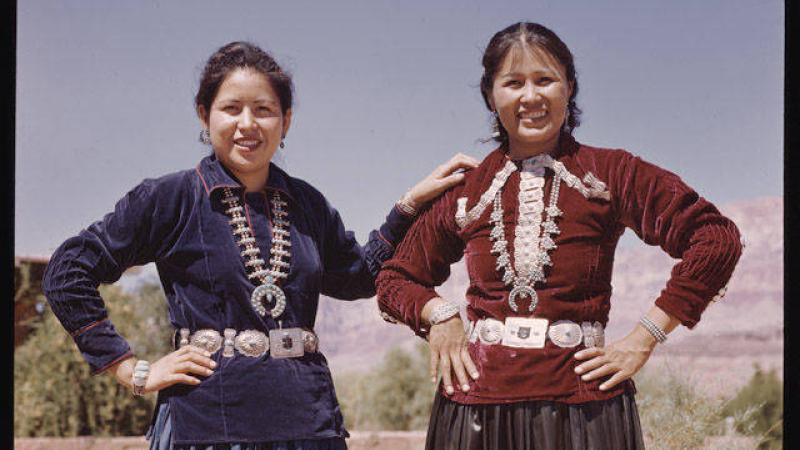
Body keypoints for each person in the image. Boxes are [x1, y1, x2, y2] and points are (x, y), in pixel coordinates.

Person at [42, 41, 478, 449]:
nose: (247, 124)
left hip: (309, 424)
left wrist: (408, 205)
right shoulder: (169, 199)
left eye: (264, 110)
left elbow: (359, 277)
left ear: (285, 120)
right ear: (204, 114)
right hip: (205, 426)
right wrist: (130, 369)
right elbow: (68, 272)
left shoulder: (307, 203)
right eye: (231, 108)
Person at [375, 22, 743, 449]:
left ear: (569, 88)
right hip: (474, 406)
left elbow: (716, 238)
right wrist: (439, 314)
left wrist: (646, 336)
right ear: (491, 97)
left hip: (584, 409)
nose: (530, 97)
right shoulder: (467, 189)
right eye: (513, 83)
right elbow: (394, 278)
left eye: (545, 80)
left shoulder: (611, 173)